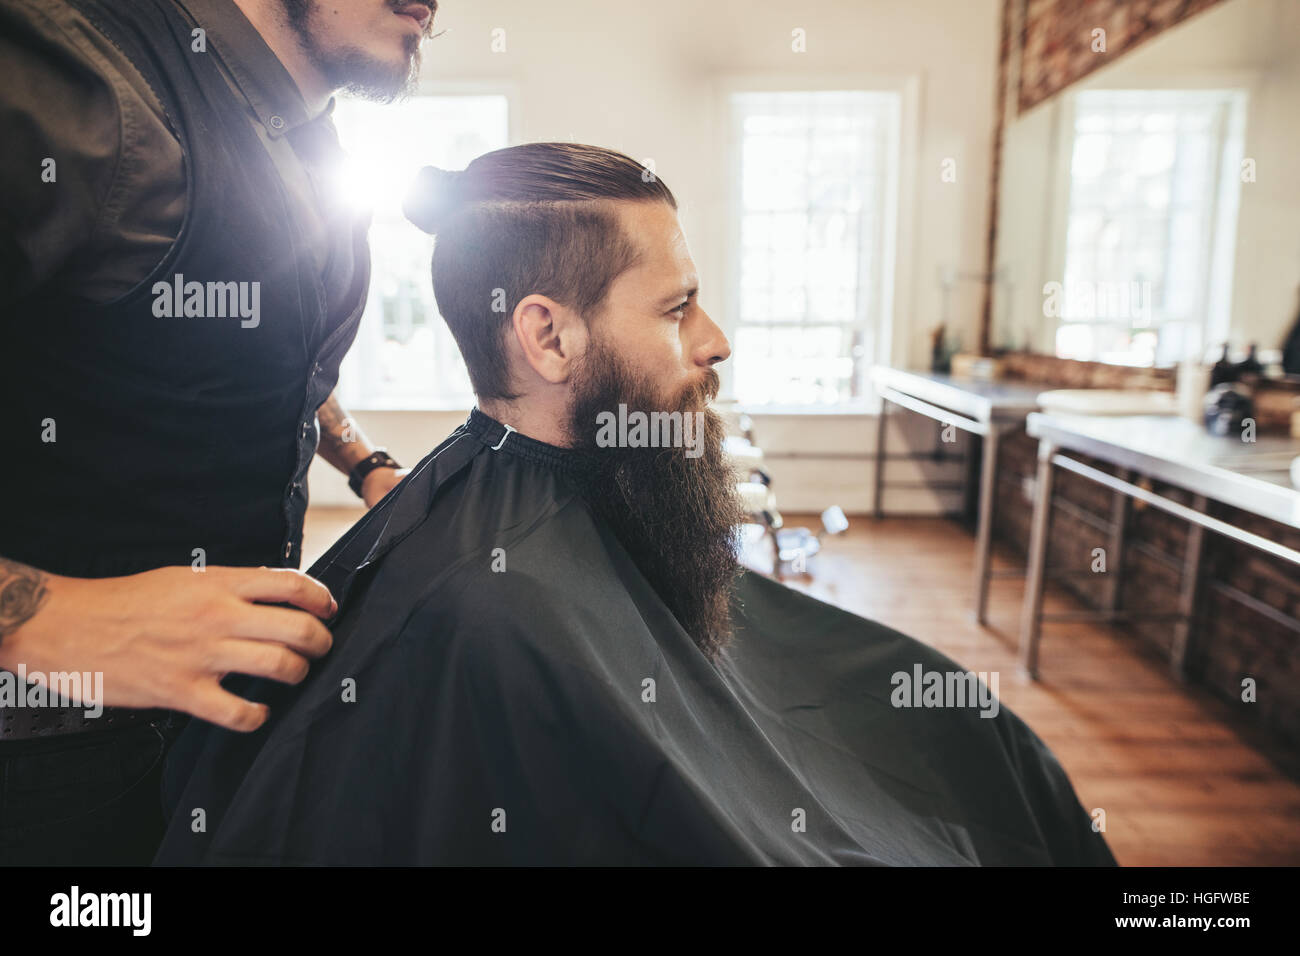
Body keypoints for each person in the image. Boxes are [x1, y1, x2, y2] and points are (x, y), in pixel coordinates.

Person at [154, 143, 1117, 866]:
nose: (716, 339)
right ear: (550, 338)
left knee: (984, 750)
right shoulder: (485, 611)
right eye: (675, 308)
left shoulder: (568, 510)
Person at [0, 0, 438, 865]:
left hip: (200, 729)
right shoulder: (72, 81)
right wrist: (42, 622)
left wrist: (365, 464)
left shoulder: (308, 138)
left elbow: (278, 365)